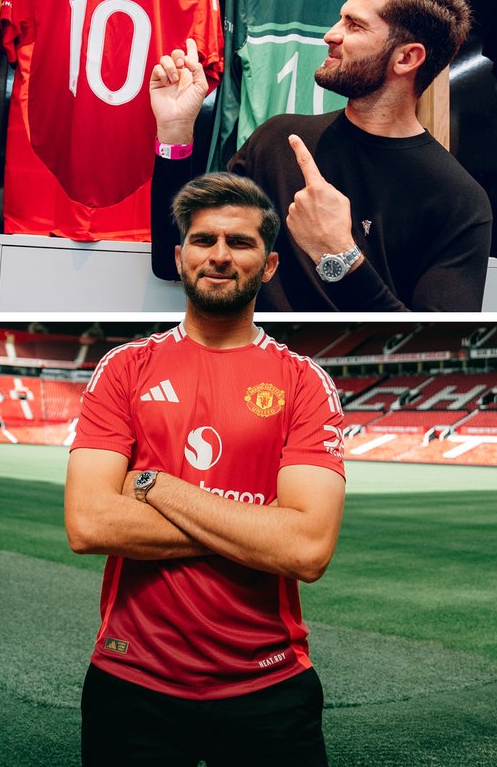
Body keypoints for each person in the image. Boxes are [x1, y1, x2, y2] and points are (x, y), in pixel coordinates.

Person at [65, 173, 346, 766]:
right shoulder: (124, 369)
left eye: (240, 243)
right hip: (130, 677)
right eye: (203, 240)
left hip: (269, 681)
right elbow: (89, 523)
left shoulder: (303, 382)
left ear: (269, 265)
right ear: (180, 256)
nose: (219, 255)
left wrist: (152, 485)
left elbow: (307, 549)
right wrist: (253, 530)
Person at [150, 0, 493, 312]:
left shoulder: (458, 200)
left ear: (406, 58)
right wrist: (175, 130)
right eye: (340, 19)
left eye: (354, 25)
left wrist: (339, 256)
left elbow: (431, 346)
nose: (331, 34)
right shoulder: (277, 142)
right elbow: (172, 260)